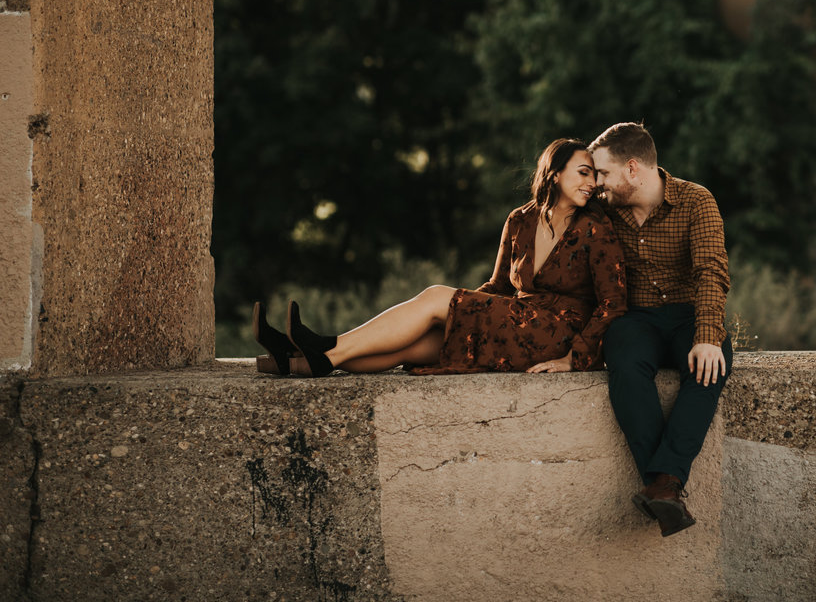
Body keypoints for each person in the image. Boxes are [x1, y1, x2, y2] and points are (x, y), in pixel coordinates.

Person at [251, 138, 627, 377]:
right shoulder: (521, 220)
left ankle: (321, 343)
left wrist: (574, 358)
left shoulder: (596, 229)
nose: (591, 183)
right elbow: (496, 287)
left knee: (435, 296)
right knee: (416, 345)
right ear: (555, 172)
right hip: (515, 325)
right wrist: (464, 312)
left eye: (593, 176)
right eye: (582, 172)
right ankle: (299, 361)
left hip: (558, 335)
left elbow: (613, 304)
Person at [588, 122, 732, 537]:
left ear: (632, 169)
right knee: (625, 360)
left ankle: (661, 484)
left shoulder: (695, 200)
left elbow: (712, 272)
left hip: (689, 314)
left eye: (603, 173)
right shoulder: (605, 212)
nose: (599, 183)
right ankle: (665, 486)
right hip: (639, 318)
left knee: (712, 365)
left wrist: (707, 337)